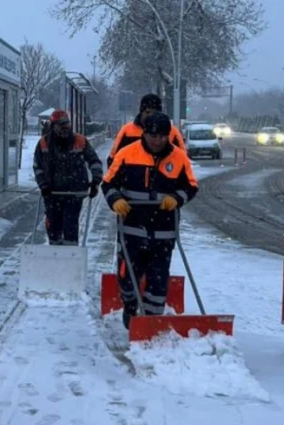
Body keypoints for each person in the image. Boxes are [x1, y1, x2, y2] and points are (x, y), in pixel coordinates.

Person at [101, 112, 198, 329]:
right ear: (145, 134)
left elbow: (191, 186)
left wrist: (177, 198)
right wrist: (115, 200)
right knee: (127, 275)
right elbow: (108, 183)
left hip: (163, 230)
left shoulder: (179, 158)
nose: (157, 140)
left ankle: (152, 322)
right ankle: (130, 304)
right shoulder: (127, 154)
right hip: (132, 226)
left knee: (158, 279)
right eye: (153, 135)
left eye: (162, 136)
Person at [32, 109, 103, 245]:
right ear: (53, 126)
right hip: (52, 193)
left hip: (74, 193)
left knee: (70, 224)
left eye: (67, 124)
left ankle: (71, 254)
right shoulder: (44, 143)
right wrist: (43, 185)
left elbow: (94, 161)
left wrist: (95, 181)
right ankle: (55, 250)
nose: (65, 128)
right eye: (60, 125)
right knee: (53, 226)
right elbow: (38, 167)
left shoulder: (80, 141)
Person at [106, 93, 185, 169]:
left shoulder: (172, 132)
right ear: (141, 112)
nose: (150, 115)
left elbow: (183, 161)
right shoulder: (127, 131)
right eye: (147, 112)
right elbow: (113, 160)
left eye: (154, 112)